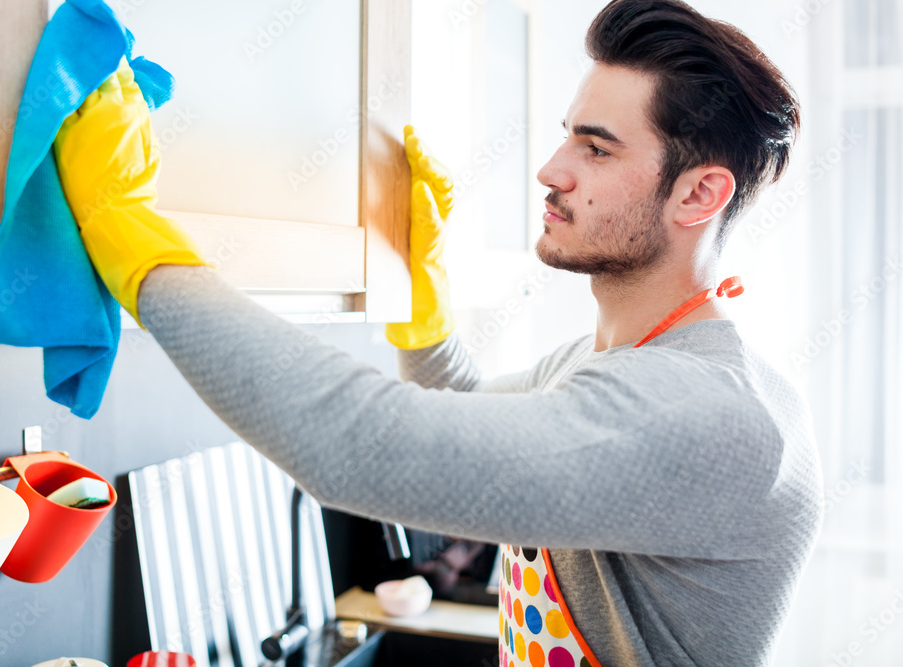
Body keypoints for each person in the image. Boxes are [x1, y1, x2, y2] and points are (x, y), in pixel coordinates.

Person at [53, 0, 822, 664]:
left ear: (699, 194)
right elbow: (469, 416)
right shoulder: (622, 360)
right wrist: (427, 308)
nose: (550, 169)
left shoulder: (709, 413)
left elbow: (369, 449)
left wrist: (142, 252)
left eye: (596, 147)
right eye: (566, 137)